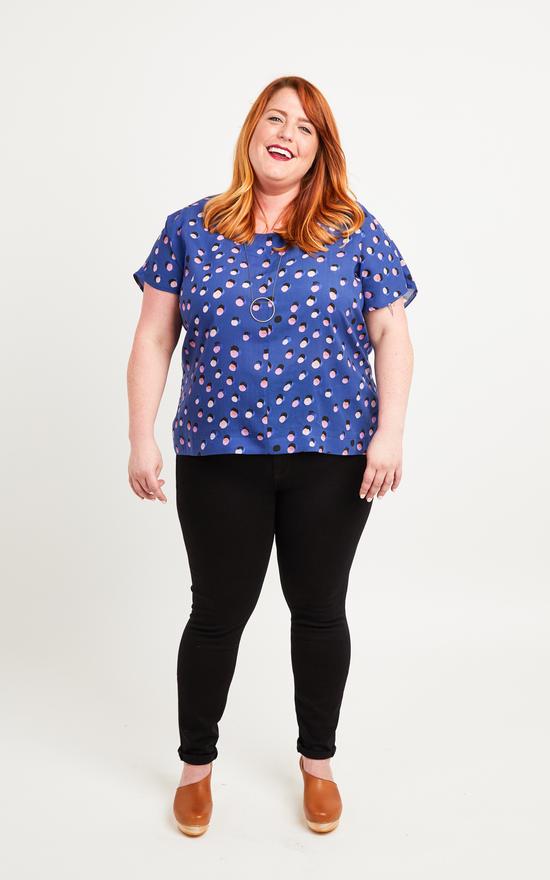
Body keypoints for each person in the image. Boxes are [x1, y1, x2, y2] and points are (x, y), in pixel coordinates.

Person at [127, 75, 418, 837]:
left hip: (334, 454)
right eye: (276, 118)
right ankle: (196, 769)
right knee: (216, 614)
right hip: (219, 453)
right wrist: (140, 435)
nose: (286, 133)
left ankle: (317, 764)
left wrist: (389, 433)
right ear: (253, 129)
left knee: (319, 611)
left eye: (305, 127)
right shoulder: (190, 228)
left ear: (321, 149)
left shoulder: (354, 229)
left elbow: (392, 333)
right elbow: (154, 336)